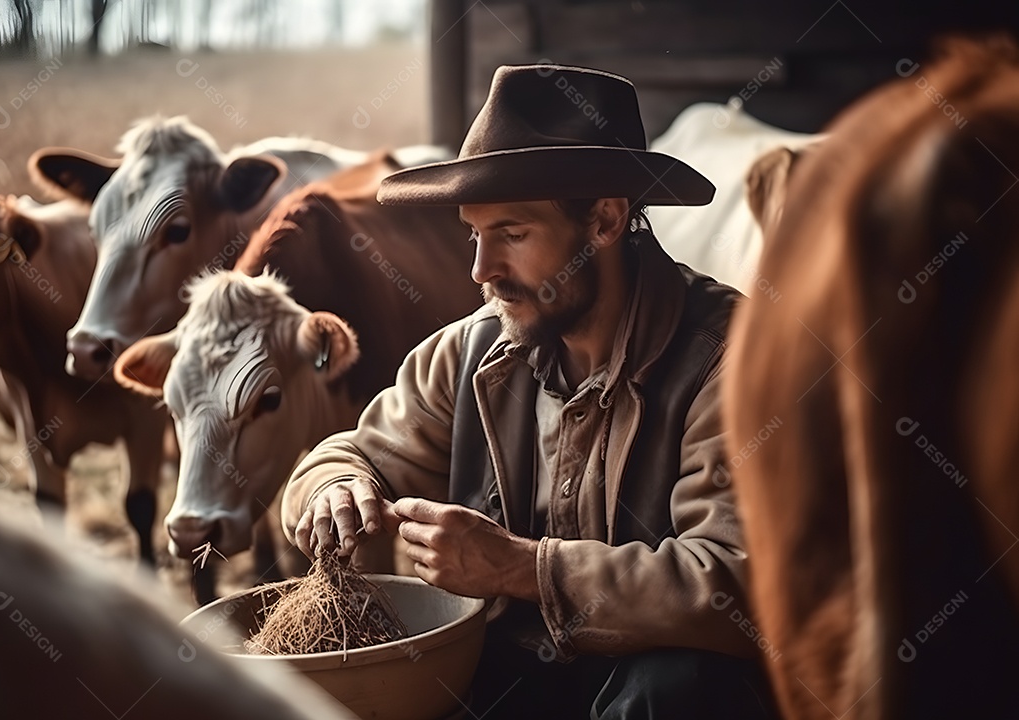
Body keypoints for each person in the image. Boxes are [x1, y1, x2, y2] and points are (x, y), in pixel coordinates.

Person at [282, 63, 778, 718]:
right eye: (474, 234)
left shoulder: (731, 359)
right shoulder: (470, 352)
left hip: (657, 693)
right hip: (521, 683)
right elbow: (352, 453)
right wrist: (334, 485)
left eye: (512, 235)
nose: (480, 270)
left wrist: (519, 568)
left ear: (604, 220)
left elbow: (735, 583)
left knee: (679, 688)